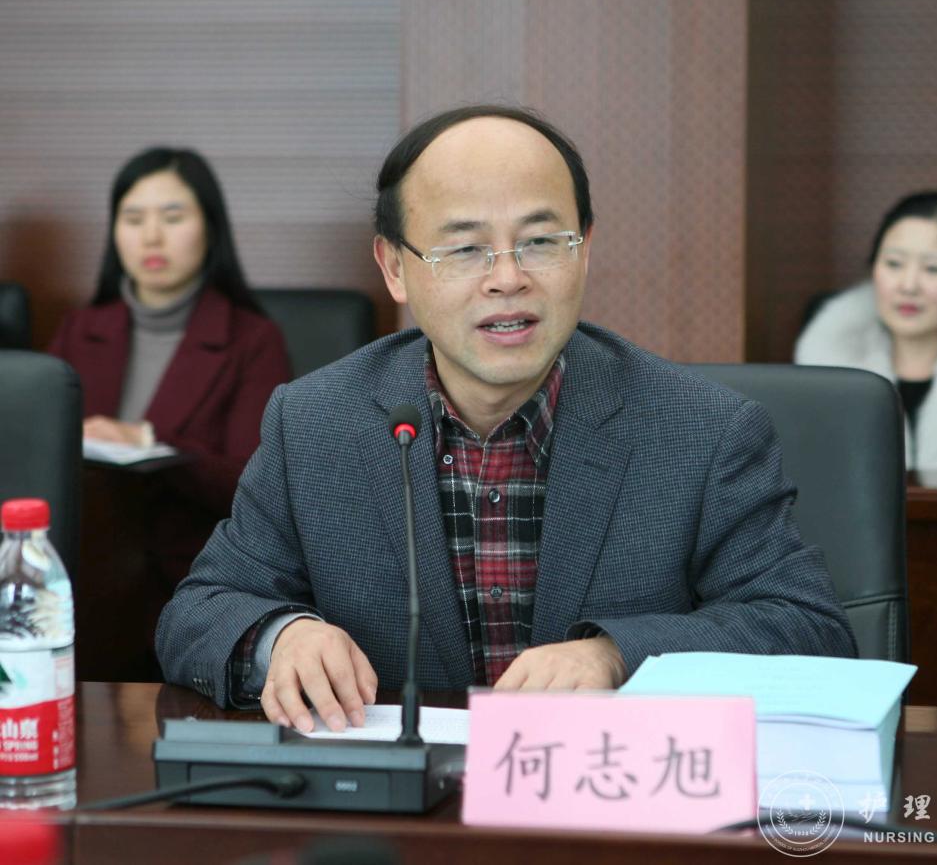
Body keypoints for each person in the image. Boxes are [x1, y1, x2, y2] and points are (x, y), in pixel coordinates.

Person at [157, 106, 855, 732]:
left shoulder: (702, 431)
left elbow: (808, 628)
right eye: (465, 249)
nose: (508, 278)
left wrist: (616, 656)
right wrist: (281, 636)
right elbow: (198, 611)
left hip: (603, 805)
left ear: (585, 248)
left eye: (541, 242)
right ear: (395, 267)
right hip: (398, 812)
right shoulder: (315, 423)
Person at [50, 147, 292, 658]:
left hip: (195, 586)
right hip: (80, 579)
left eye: (173, 216)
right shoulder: (81, 329)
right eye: (133, 218)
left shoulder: (253, 339)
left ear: (210, 227)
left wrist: (147, 441)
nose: (151, 237)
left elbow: (259, 486)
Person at [796, 191, 937, 470]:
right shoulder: (822, 369)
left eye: (933, 268)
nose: (909, 285)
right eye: (894, 264)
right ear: (873, 269)